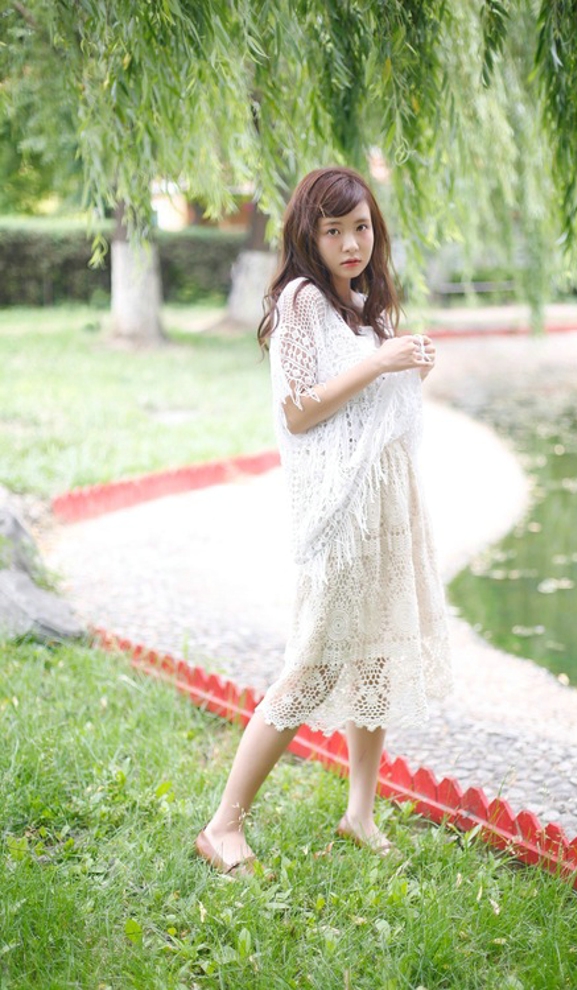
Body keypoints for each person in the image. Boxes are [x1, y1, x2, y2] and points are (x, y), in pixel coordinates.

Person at [195, 166, 452, 876]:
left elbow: (369, 413)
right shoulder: (302, 301)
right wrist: (381, 363)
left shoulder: (360, 305)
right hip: (343, 515)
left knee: (375, 658)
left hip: (387, 504)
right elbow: (300, 409)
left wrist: (407, 366)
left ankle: (359, 814)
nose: (350, 243)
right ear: (308, 234)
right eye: (333, 230)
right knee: (312, 665)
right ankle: (223, 825)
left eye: (360, 227)